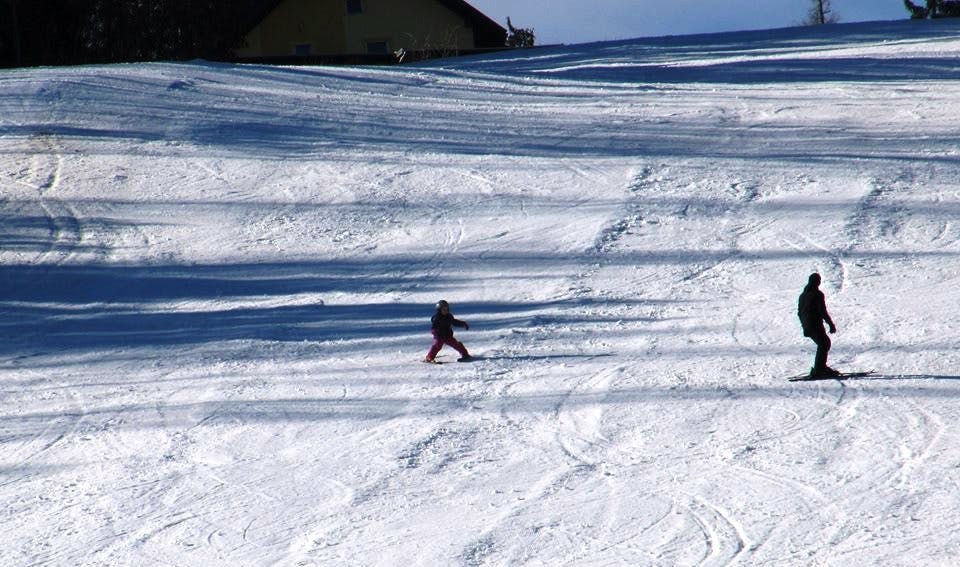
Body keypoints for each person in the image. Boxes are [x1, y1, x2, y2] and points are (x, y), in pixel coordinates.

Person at [797, 273, 839, 377]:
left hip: (808, 325)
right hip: (815, 324)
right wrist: (831, 324)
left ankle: (820, 368)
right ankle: (819, 369)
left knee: (823, 343)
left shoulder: (802, 296)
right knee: (824, 343)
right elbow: (822, 311)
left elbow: (799, 313)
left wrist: (804, 326)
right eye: (818, 280)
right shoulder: (817, 294)